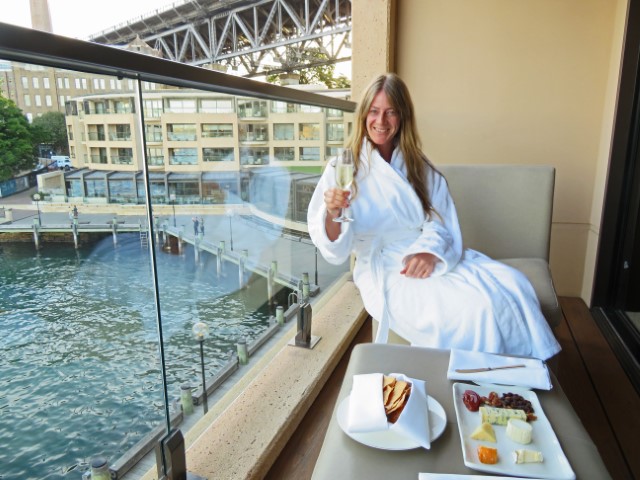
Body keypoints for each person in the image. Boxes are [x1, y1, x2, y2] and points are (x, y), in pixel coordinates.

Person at [307, 73, 561, 360]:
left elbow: (441, 222)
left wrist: (428, 252)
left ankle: (512, 375)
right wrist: (333, 212)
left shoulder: (417, 165)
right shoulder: (343, 165)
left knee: (513, 284)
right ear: (364, 114)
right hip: (385, 268)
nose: (381, 121)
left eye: (391, 112)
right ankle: (482, 375)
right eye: (374, 111)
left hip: (422, 254)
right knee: (475, 309)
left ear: (403, 116)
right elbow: (334, 251)